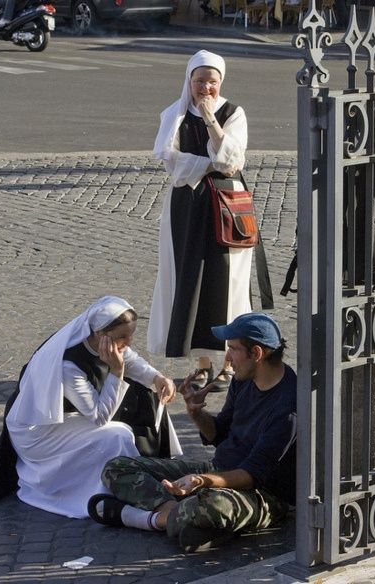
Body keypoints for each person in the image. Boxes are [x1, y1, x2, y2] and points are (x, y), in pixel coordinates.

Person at [88, 313, 297, 552]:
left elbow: (252, 474)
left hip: (263, 493)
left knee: (210, 505)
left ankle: (150, 519)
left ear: (257, 353)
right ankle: (174, 517)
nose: (228, 358)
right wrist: (197, 414)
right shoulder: (244, 379)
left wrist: (203, 482)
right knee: (117, 467)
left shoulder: (287, 408)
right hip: (219, 470)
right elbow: (219, 434)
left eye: (233, 349)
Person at [0, 295, 182, 518]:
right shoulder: (68, 364)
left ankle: (147, 467)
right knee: (116, 435)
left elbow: (131, 360)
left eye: (131, 334)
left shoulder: (107, 343)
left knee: (147, 390)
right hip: (39, 432)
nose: (129, 342)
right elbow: (99, 416)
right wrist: (116, 371)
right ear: (100, 334)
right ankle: (122, 489)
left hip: (70, 414)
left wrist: (159, 378)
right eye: (123, 336)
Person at [147, 49, 254, 393]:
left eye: (212, 80)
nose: (205, 87)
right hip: (187, 207)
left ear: (220, 81)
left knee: (226, 281)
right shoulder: (173, 115)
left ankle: (227, 362)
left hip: (225, 207)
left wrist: (210, 121)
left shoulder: (233, 113)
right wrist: (210, 163)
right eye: (199, 80)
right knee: (190, 279)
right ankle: (203, 363)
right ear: (189, 81)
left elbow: (232, 159)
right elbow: (171, 163)